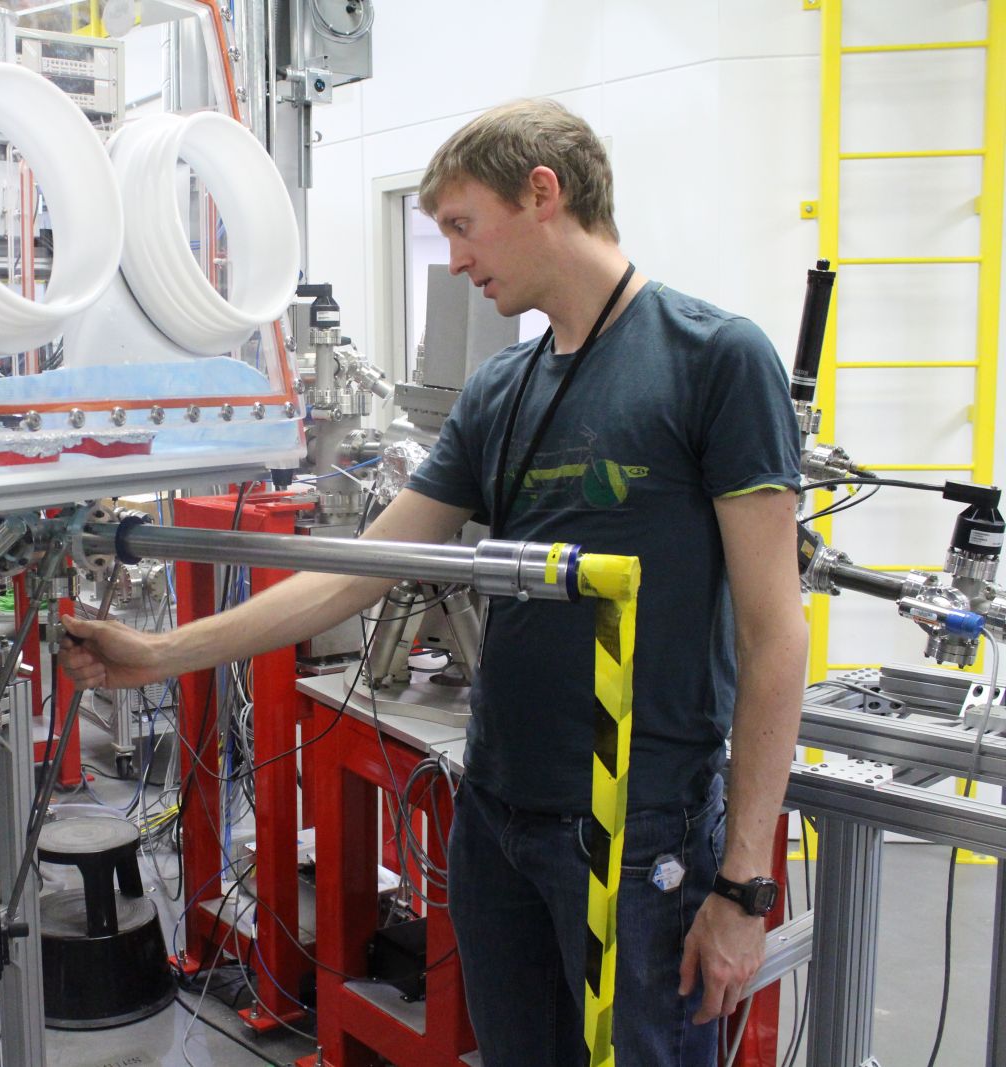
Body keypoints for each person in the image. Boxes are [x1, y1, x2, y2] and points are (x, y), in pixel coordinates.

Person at [60, 98, 807, 1066]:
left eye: (461, 224)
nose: (452, 258)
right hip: (498, 806)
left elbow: (772, 631)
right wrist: (158, 654)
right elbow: (355, 573)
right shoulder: (503, 387)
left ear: (543, 194)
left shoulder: (712, 358)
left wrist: (743, 884)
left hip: (640, 813)